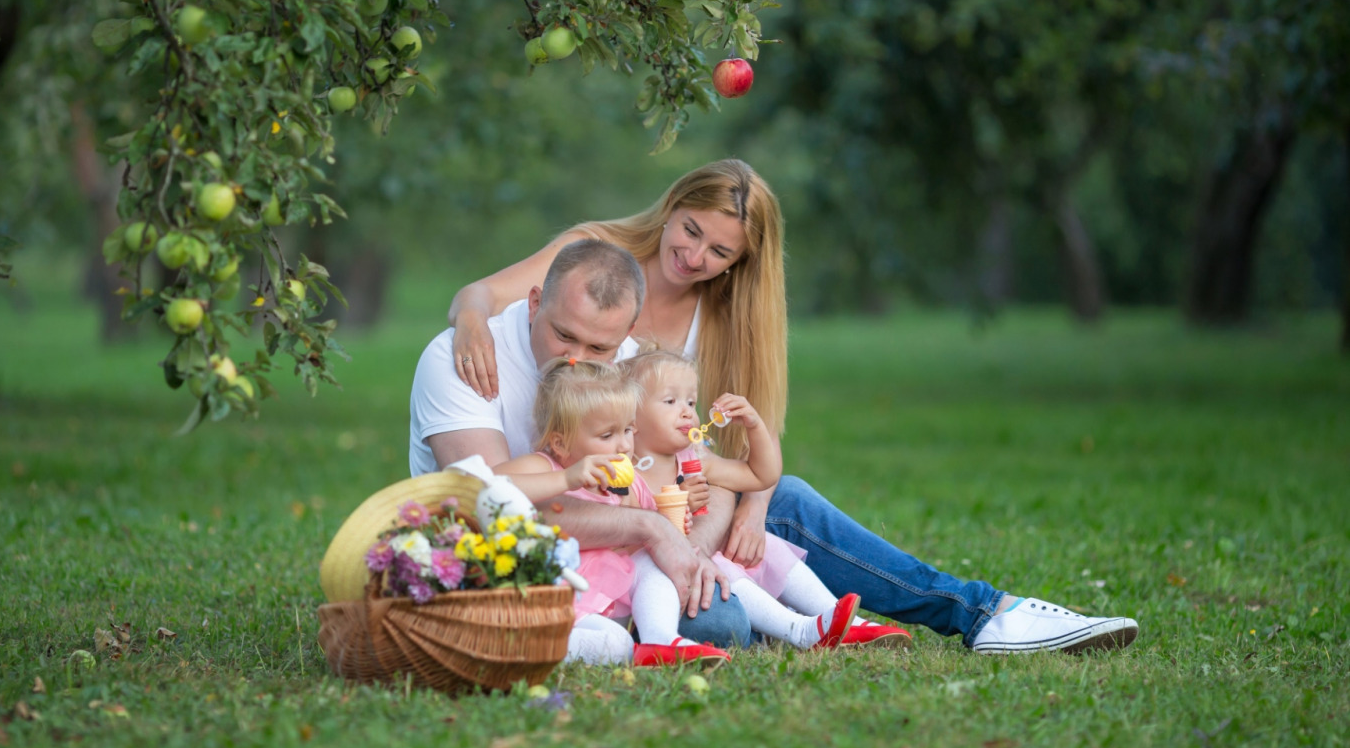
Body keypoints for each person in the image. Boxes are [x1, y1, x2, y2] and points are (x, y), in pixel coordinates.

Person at [443, 159, 1139, 654]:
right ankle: (973, 613)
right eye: (688, 231)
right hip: (600, 509)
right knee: (753, 567)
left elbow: (748, 440)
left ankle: (984, 613)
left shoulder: (724, 317)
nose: (694, 256)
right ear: (670, 208)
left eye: (720, 251)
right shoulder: (593, 259)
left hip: (669, 496)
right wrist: (470, 318)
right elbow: (486, 294)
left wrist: (741, 514)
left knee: (786, 500)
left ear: (740, 262)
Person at [409, 238, 754, 649]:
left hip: (627, 552)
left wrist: (689, 548)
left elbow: (707, 470)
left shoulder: (626, 361)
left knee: (787, 502)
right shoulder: (466, 357)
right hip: (520, 568)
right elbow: (489, 507)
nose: (576, 359)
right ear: (535, 303)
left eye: (599, 348)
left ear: (627, 333)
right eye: (564, 335)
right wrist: (653, 529)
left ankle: (836, 618)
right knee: (722, 625)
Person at [622, 346, 910, 649]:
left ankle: (837, 617)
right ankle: (801, 631)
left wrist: (755, 426)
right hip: (654, 576)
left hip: (699, 556)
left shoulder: (694, 457)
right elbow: (627, 531)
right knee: (726, 567)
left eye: (691, 402)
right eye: (670, 401)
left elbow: (761, 475)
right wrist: (673, 502)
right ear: (631, 415)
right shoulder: (625, 468)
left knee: (768, 546)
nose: (687, 412)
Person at [493, 357, 734, 668]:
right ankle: (516, 644)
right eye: (607, 436)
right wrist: (566, 479)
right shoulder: (546, 466)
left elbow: (637, 542)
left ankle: (661, 639)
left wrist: (677, 519)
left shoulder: (629, 484)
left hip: (608, 597)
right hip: (559, 601)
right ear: (561, 443)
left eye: (628, 430)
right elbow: (485, 485)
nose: (623, 446)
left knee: (651, 559)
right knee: (616, 646)